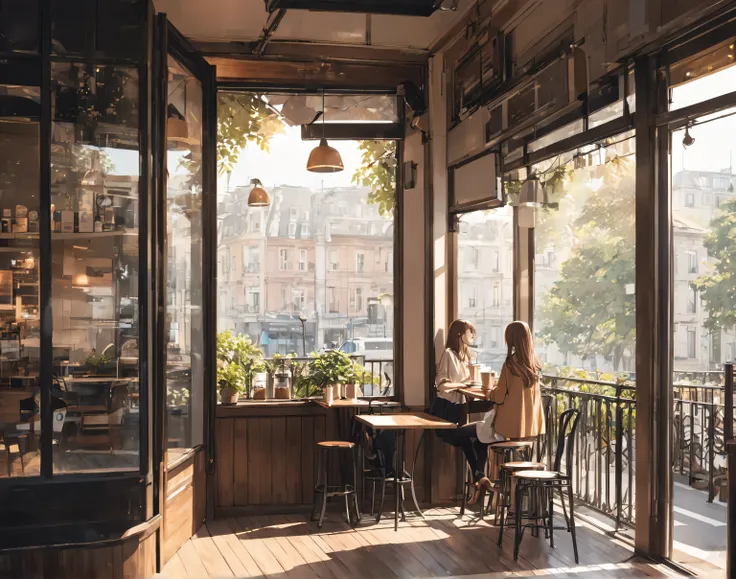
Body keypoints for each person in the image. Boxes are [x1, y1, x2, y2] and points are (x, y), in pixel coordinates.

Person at [433, 319, 495, 504]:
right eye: (470, 332)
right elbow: (441, 385)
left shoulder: (466, 357)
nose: (473, 336)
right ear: (460, 334)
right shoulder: (448, 355)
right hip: (445, 410)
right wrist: (463, 385)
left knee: (480, 438)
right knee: (468, 438)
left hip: (459, 409)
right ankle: (479, 478)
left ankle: (479, 480)